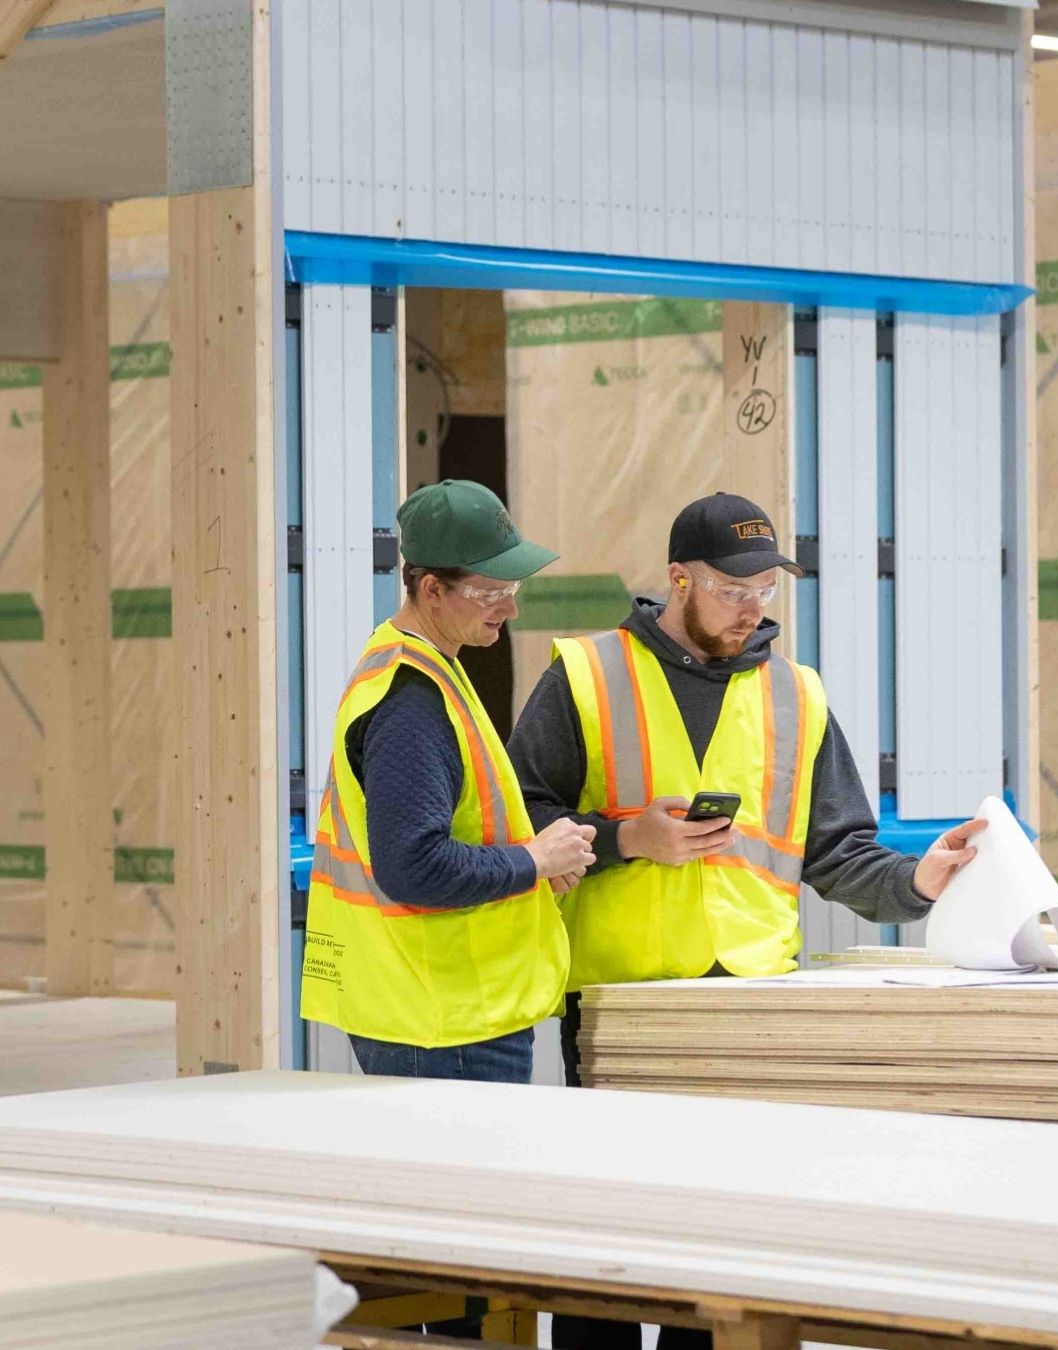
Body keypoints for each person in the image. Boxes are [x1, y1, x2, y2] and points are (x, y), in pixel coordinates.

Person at [508, 491, 984, 1350]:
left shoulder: (797, 695)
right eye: (733, 589)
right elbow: (521, 823)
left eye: (765, 588)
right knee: (611, 1240)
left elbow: (838, 852)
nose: (751, 605)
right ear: (678, 578)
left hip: (746, 1009)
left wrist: (920, 880)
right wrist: (628, 839)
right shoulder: (587, 672)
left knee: (721, 1247)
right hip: (622, 1000)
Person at [301, 479, 595, 1086]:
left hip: (442, 1009)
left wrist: (531, 865)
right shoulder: (411, 702)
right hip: (441, 1020)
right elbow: (414, 867)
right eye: (490, 591)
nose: (509, 609)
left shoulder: (430, 670)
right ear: (430, 588)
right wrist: (532, 860)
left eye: (513, 589)